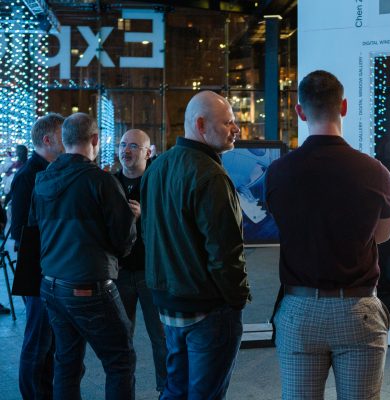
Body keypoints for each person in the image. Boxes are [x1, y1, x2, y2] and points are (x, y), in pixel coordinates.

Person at [266, 70, 390, 399]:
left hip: (299, 310)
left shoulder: (278, 172)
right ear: (344, 107)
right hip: (358, 309)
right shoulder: (375, 171)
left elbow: (281, 226)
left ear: (300, 111)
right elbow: (382, 236)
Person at [141, 91, 251, 399]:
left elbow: (149, 234)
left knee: (175, 389)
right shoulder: (211, 176)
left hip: (168, 304)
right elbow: (225, 252)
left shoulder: (157, 168)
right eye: (228, 122)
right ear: (201, 125)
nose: (236, 129)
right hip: (207, 307)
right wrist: (237, 298)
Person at [30, 112, 137, 400]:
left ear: (64, 141)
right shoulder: (101, 181)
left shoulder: (42, 179)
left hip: (52, 285)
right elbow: (123, 237)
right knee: (120, 360)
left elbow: (35, 230)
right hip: (89, 286)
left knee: (66, 362)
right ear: (95, 139)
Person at [9, 113, 65, 399]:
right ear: (47, 140)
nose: (68, 142)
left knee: (47, 342)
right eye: (63, 136)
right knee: (38, 341)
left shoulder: (47, 171)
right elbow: (22, 230)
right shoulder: (29, 176)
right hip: (37, 271)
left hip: (46, 269)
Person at [114, 129, 167, 395]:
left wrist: (143, 215)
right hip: (119, 273)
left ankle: (166, 391)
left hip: (151, 272)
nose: (126, 150)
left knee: (161, 338)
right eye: (123, 144)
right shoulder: (110, 184)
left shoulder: (158, 183)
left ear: (148, 152)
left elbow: (170, 223)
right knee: (121, 340)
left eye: (134, 146)